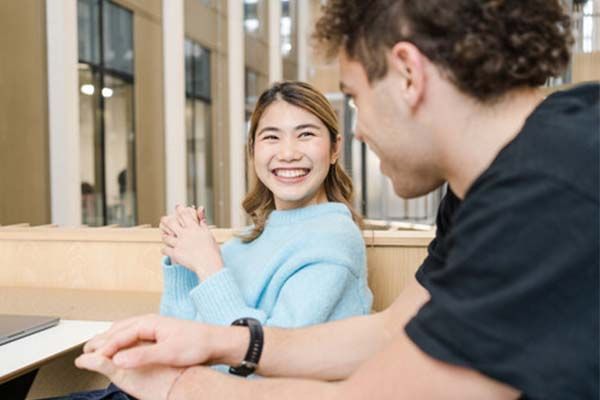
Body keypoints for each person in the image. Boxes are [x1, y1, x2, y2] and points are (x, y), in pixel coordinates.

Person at [75, 1, 599, 399]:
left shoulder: (549, 196)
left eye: (353, 97)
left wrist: (177, 386)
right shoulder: (489, 184)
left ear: (408, 75)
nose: (360, 130)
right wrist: (221, 344)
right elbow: (391, 330)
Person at [50, 81, 372, 400]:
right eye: (271, 137)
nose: (287, 153)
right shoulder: (249, 239)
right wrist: (183, 264)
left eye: (306, 134)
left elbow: (267, 368)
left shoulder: (335, 239)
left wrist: (208, 265)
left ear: (334, 149)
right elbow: (180, 344)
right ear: (253, 150)